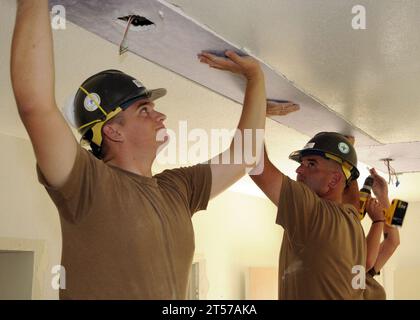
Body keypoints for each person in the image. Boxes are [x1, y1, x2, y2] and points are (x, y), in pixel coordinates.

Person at [11, 0, 266, 299]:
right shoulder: (87, 183)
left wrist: (255, 78)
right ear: (112, 130)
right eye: (144, 110)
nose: (160, 116)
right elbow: (35, 105)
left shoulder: (178, 188)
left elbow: (245, 156)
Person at [250, 132, 366, 299]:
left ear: (334, 181)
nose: (299, 169)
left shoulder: (312, 211)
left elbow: (253, 161)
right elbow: (351, 196)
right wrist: (344, 151)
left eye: (311, 164)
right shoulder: (352, 220)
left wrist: (258, 109)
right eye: (301, 163)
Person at [363, 168, 400, 299]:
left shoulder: (361, 276)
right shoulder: (361, 274)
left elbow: (393, 242)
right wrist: (383, 198)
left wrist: (382, 197)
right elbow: (393, 242)